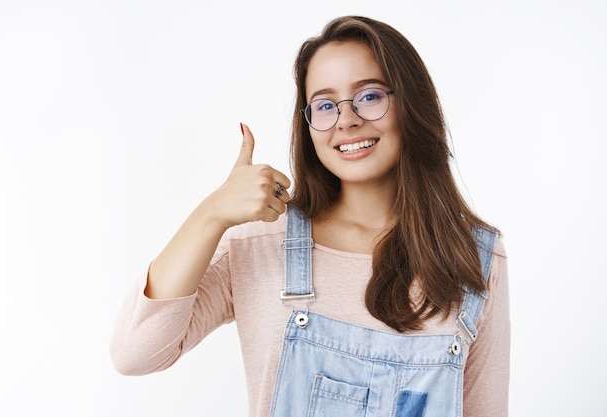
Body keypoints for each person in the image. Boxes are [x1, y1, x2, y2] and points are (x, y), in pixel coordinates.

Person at [110, 15, 509, 417]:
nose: (347, 119)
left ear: (411, 104)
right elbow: (135, 354)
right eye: (324, 105)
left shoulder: (472, 258)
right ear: (308, 124)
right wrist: (211, 214)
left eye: (370, 96)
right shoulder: (261, 242)